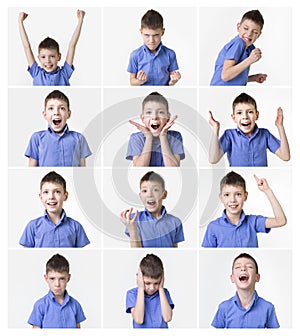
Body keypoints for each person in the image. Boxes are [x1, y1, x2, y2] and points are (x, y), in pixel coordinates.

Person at [201, 171, 287, 248]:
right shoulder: (213, 227)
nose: (232, 200)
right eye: (227, 195)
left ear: (245, 196)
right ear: (221, 197)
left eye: (238, 194)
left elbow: (281, 221)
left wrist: (267, 190)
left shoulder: (253, 222)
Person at [208, 92, 290, 166]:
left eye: (250, 112)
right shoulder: (229, 135)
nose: (245, 116)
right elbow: (213, 159)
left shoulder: (265, 134)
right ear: (234, 118)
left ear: (256, 115)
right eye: (239, 113)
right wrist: (216, 128)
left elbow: (285, 156)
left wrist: (280, 126)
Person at [19, 171, 90, 248]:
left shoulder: (76, 227)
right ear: (41, 197)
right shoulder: (32, 226)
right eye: (46, 192)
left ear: (65, 196)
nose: (51, 197)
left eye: (57, 192)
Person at [25, 89, 92, 166]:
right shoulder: (37, 138)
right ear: (44, 114)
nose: (56, 113)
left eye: (62, 108)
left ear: (68, 114)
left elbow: (82, 170)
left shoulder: (79, 138)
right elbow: (31, 169)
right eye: (51, 108)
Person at [212, 253, 280, 328]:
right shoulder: (224, 307)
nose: (243, 268)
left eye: (249, 267)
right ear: (232, 278)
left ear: (257, 277)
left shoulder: (268, 308)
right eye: (238, 267)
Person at [18, 10, 85, 85]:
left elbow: (72, 45)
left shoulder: (64, 73)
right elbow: (26, 47)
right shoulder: (36, 73)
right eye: (43, 57)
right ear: (39, 58)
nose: (48, 60)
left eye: (52, 56)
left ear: (59, 57)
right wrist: (20, 22)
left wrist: (80, 20)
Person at [120, 171, 184, 247]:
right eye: (145, 191)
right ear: (140, 196)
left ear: (164, 194)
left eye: (155, 190)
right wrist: (132, 230)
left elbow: (174, 251)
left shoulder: (175, 222)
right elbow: (136, 254)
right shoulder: (134, 220)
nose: (150, 194)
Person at [126, 92, 185, 167]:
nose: (154, 117)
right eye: (149, 112)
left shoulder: (175, 136)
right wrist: (148, 137)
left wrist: (163, 136)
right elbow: (139, 168)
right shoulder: (136, 138)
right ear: (142, 118)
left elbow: (173, 169)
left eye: (160, 112)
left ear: (168, 117)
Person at [28, 253, 86, 328]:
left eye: (62, 279)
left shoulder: (75, 305)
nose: (57, 284)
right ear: (46, 278)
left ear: (68, 278)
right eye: (52, 278)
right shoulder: (40, 305)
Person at [210, 9, 267, 86]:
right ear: (238, 27)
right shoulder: (238, 43)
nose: (249, 34)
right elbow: (225, 76)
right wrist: (250, 60)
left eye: (255, 32)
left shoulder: (250, 48)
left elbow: (234, 76)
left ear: (259, 35)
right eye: (246, 28)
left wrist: (253, 78)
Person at [127, 9, 181, 86]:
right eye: (147, 35)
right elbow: (132, 82)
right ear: (141, 32)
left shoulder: (170, 54)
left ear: (162, 32)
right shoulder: (135, 55)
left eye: (156, 35)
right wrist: (139, 81)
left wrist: (173, 81)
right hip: (144, 94)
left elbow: (170, 83)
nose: (151, 40)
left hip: (163, 94)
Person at [126, 254, 174, 328]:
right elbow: (139, 319)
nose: (152, 288)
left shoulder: (164, 293)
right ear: (140, 278)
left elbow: (167, 318)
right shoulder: (132, 294)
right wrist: (141, 288)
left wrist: (161, 288)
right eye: (147, 283)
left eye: (156, 283)